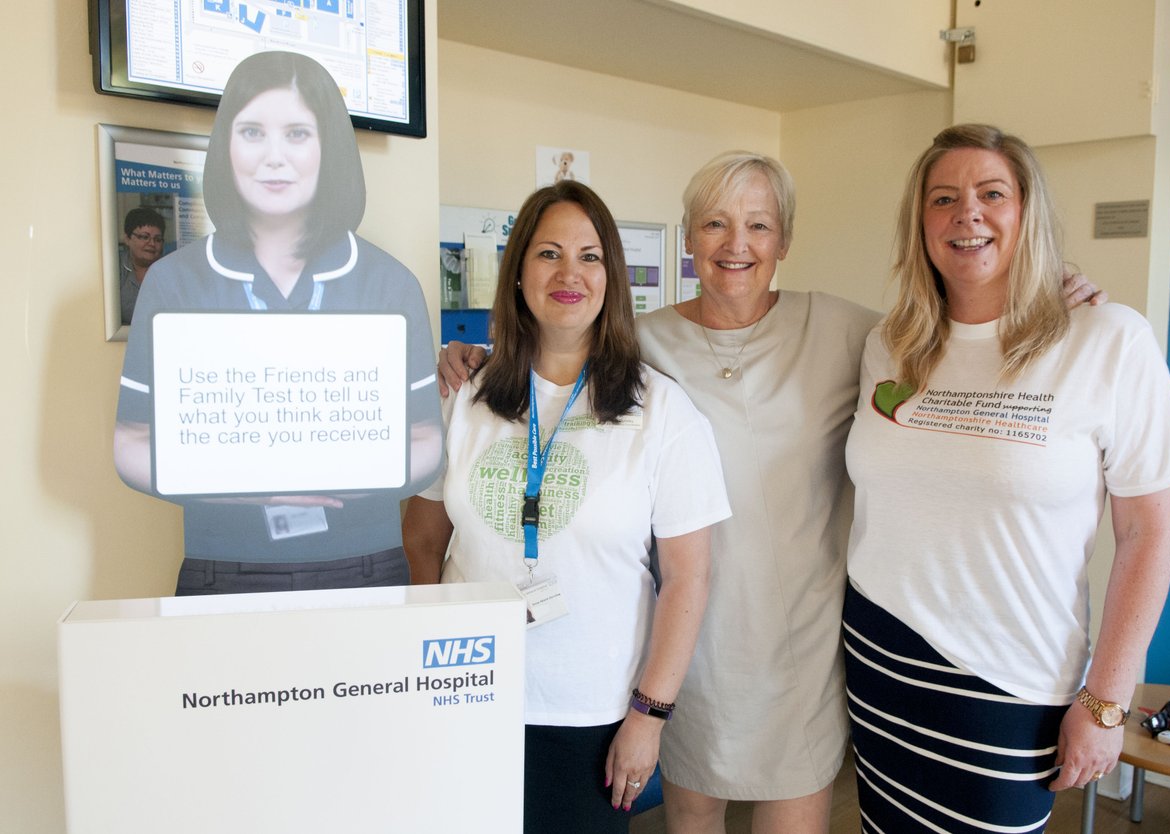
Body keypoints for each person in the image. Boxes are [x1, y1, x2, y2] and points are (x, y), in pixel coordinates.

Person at [438, 152, 1106, 834]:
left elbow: (954, 331)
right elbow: (557, 360)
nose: (737, 245)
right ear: (690, 237)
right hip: (685, 647)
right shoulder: (643, 344)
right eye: (715, 224)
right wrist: (473, 360)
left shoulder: (851, 332)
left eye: (759, 225)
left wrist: (1045, 283)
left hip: (799, 647)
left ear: (784, 240)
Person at [843, 123, 1170, 832]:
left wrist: (1105, 702)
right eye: (943, 198)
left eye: (991, 193)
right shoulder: (892, 343)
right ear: (921, 223)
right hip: (880, 656)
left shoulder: (1107, 339)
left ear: (1026, 212)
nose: (966, 213)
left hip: (1013, 678)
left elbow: (1148, 533)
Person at [402, 180, 730, 834]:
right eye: (549, 253)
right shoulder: (463, 396)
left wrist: (648, 716)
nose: (569, 273)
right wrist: (427, 652)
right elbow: (422, 537)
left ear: (611, 276)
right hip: (466, 694)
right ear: (518, 273)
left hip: (590, 715)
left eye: (589, 256)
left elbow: (689, 578)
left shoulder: (660, 413)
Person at [114, 51, 442, 595]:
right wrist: (238, 487)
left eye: (296, 133)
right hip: (223, 563)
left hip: (365, 563)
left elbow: (428, 440)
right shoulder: (174, 283)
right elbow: (131, 441)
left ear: (327, 148)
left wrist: (347, 479)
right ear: (227, 146)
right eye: (251, 132)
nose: (273, 157)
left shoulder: (390, 284)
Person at [119, 206, 166, 324]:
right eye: (144, 237)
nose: (152, 244)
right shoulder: (114, 268)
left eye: (158, 239)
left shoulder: (170, 271)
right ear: (127, 239)